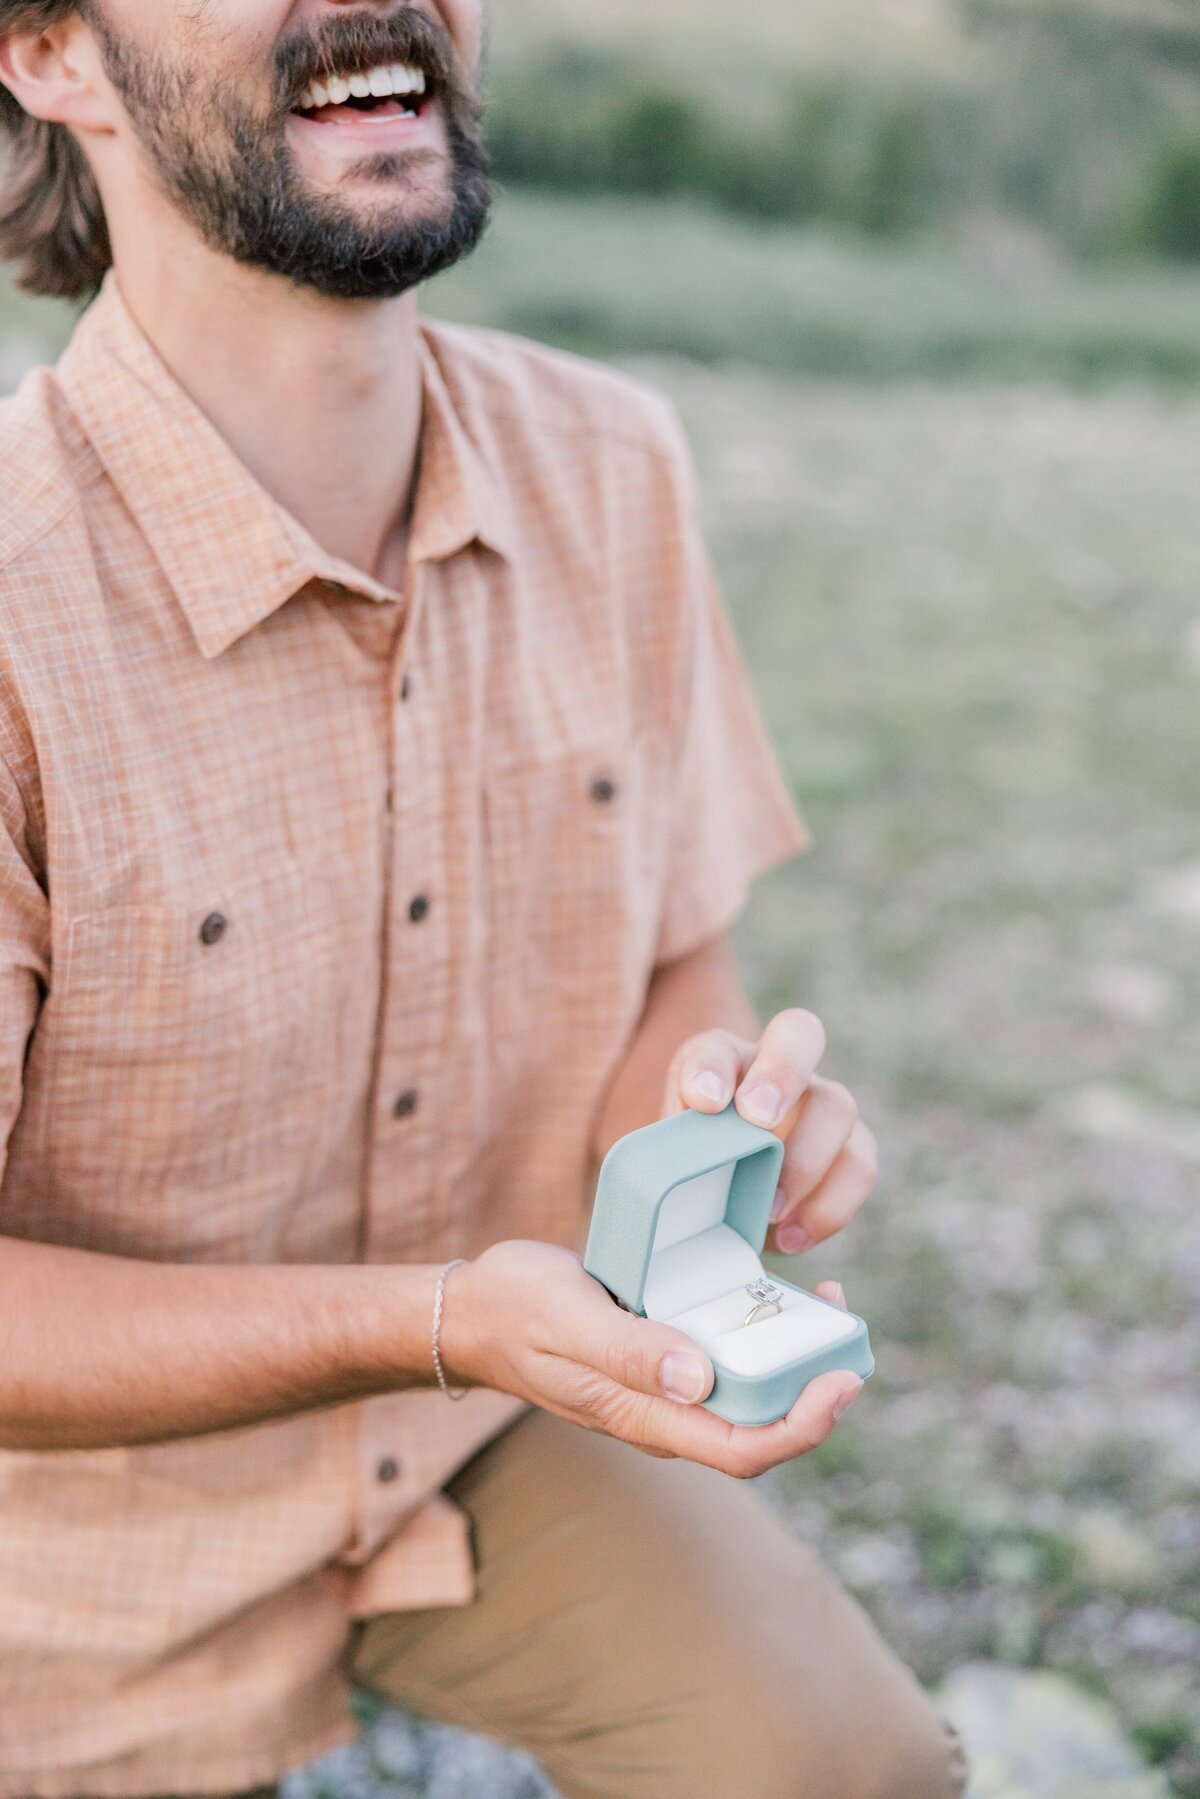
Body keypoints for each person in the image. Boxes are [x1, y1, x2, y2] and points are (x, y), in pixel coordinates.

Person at [0, 4, 968, 1796]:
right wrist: (437, 1316)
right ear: (54, 56)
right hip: (62, 1561)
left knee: (853, 1771)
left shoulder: (614, 466)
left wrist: (710, 1125)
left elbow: (672, 956)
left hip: (479, 1439)